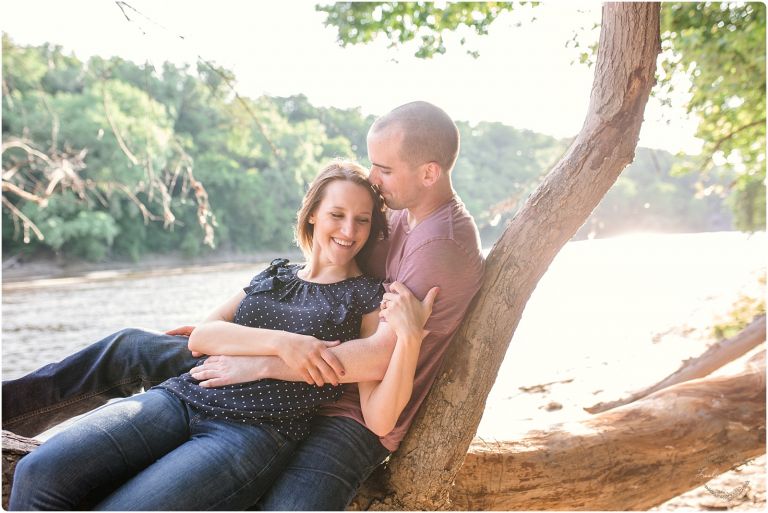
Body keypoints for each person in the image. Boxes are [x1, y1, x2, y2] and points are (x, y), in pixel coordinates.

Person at [3, 101, 485, 510]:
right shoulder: (395, 212)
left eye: (384, 168)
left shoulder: (440, 247)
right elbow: (317, 270)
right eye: (371, 166)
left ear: (429, 172)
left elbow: (378, 354)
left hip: (339, 406)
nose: (374, 182)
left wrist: (258, 362)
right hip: (256, 371)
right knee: (129, 349)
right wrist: (238, 329)